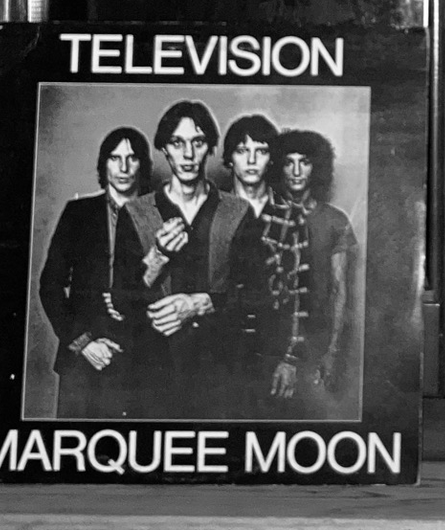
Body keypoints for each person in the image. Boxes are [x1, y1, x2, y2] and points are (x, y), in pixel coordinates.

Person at [112, 100, 251, 418]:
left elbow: (257, 295)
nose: (188, 154)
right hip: (153, 372)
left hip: (220, 372)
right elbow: (121, 299)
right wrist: (157, 258)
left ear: (210, 148)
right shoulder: (136, 212)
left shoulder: (238, 211)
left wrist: (200, 304)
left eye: (197, 142)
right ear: (164, 148)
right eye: (177, 143)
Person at [37, 126, 150, 418]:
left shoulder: (159, 215)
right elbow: (50, 286)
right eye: (115, 158)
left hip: (139, 361)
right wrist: (84, 343)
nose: (123, 167)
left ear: (143, 164)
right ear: (103, 164)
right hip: (81, 359)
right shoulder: (78, 214)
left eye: (132, 158)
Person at [225, 114, 310, 416]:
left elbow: (301, 292)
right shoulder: (212, 210)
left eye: (260, 151)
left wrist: (291, 359)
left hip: (271, 343)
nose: (251, 160)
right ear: (229, 159)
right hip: (219, 342)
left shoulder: (291, 216)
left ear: (271, 158)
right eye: (242, 150)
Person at [277, 129, 359, 409]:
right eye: (288, 162)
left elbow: (340, 290)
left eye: (305, 162)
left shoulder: (335, 221)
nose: (296, 171)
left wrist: (332, 352)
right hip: (272, 344)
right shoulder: (263, 217)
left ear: (317, 167)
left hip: (316, 342)